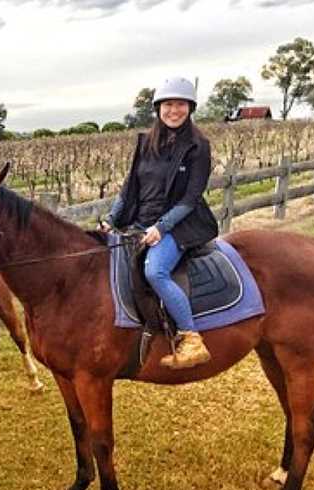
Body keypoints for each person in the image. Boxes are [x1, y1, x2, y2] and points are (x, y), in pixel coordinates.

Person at [100, 76, 219, 369]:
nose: (173, 111)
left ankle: (191, 338)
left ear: (190, 108)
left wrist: (161, 228)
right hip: (139, 221)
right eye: (168, 104)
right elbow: (130, 188)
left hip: (181, 224)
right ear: (158, 108)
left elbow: (191, 198)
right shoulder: (145, 142)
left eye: (180, 104)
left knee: (155, 271)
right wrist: (111, 219)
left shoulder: (198, 146)